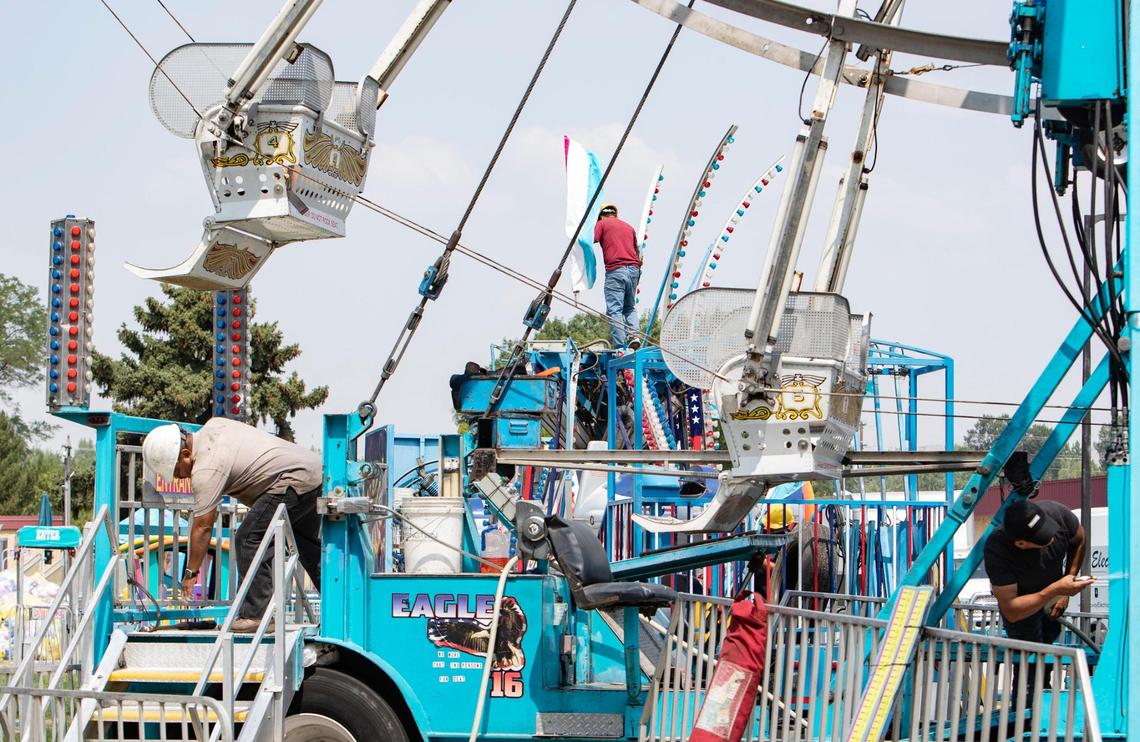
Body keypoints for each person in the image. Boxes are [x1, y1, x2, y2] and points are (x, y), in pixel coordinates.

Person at [142, 418, 323, 633]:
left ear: (186, 454)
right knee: (308, 549)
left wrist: (190, 573)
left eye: (176, 470)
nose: (179, 477)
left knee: (249, 538)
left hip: (291, 480)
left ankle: (255, 616)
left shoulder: (206, 468)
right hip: (314, 475)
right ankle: (337, 607)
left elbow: (203, 527)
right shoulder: (214, 426)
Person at [983, 498, 1093, 645]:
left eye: (1046, 527)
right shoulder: (997, 549)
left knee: (1049, 647)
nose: (1052, 536)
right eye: (1042, 535)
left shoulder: (1056, 512)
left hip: (1052, 603)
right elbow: (1011, 611)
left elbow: (1079, 538)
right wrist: (1056, 590)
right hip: (1022, 609)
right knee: (1028, 658)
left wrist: (1067, 583)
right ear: (1021, 544)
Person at [593, 203, 642, 350]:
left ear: (601, 215)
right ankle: (634, 336)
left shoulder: (602, 224)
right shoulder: (628, 227)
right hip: (634, 269)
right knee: (629, 307)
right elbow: (637, 252)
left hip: (616, 270)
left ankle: (620, 347)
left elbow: (590, 239)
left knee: (615, 310)